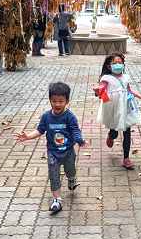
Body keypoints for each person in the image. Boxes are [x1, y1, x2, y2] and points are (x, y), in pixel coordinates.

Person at [15, 82, 87, 213]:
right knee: (53, 175)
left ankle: (71, 179)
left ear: (67, 101)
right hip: (53, 152)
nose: (57, 104)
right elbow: (40, 130)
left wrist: (79, 140)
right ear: (50, 100)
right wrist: (28, 136)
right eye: (54, 101)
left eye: (61, 101)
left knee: (70, 170)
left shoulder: (70, 117)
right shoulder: (46, 117)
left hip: (68, 151)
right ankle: (57, 199)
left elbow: (75, 130)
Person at [93, 53, 141, 169]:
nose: (118, 65)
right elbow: (101, 90)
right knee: (115, 130)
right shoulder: (106, 78)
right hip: (113, 107)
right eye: (114, 63)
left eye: (120, 63)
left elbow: (129, 89)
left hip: (126, 106)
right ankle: (111, 135)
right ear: (109, 66)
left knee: (127, 130)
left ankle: (126, 158)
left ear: (123, 64)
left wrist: (140, 97)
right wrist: (97, 91)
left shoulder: (126, 77)